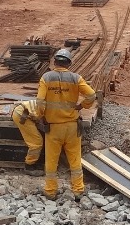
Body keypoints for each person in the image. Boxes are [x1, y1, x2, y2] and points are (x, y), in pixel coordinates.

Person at [36, 48, 96, 200]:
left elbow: (40, 102)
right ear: (69, 64)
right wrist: (82, 106)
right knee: (74, 159)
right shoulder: (76, 78)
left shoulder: (46, 78)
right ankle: (78, 190)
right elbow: (91, 95)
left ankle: (50, 191)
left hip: (53, 127)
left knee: (51, 160)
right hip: (72, 126)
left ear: (54, 61)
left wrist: (40, 116)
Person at [10, 99, 45, 167]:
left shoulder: (53, 102)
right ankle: (29, 164)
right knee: (36, 142)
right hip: (22, 115)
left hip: (22, 111)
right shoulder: (54, 108)